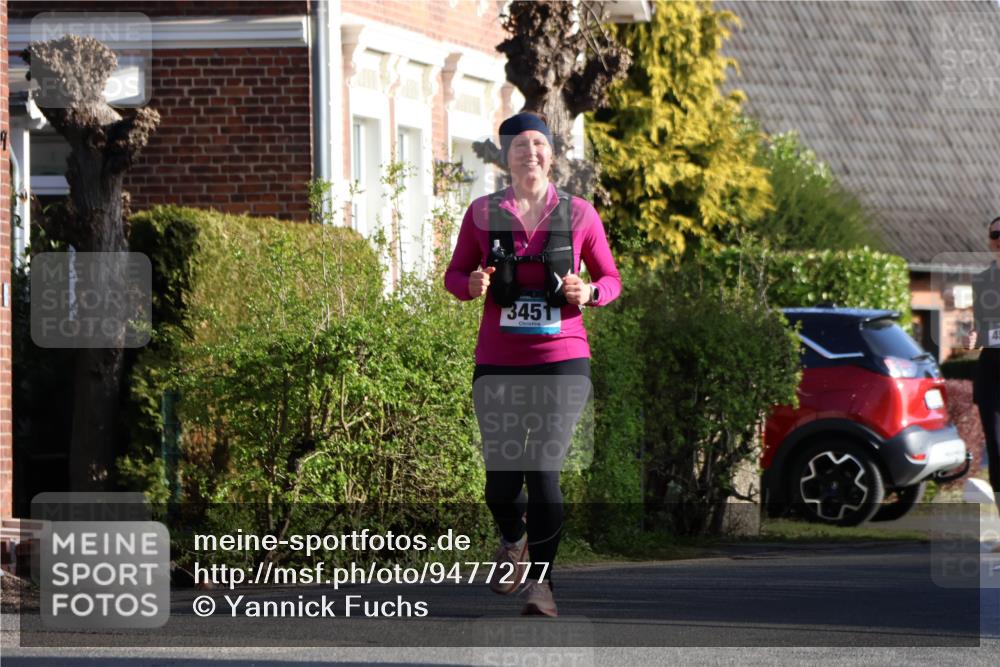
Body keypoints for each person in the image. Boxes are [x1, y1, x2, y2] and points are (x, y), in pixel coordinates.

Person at [444, 112, 621, 617]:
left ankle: (541, 585)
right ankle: (513, 538)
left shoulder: (579, 214)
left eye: (539, 145)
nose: (531, 154)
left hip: (563, 359)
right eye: (520, 146)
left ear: (552, 155)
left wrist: (589, 291)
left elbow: (611, 279)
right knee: (500, 484)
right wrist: (469, 285)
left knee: (543, 470)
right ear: (506, 157)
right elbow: (454, 275)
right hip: (499, 362)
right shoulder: (482, 213)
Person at [965, 215, 1000, 519]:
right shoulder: (983, 280)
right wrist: (973, 337)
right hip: (992, 373)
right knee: (997, 450)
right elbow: (981, 327)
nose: (998, 239)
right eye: (994, 234)